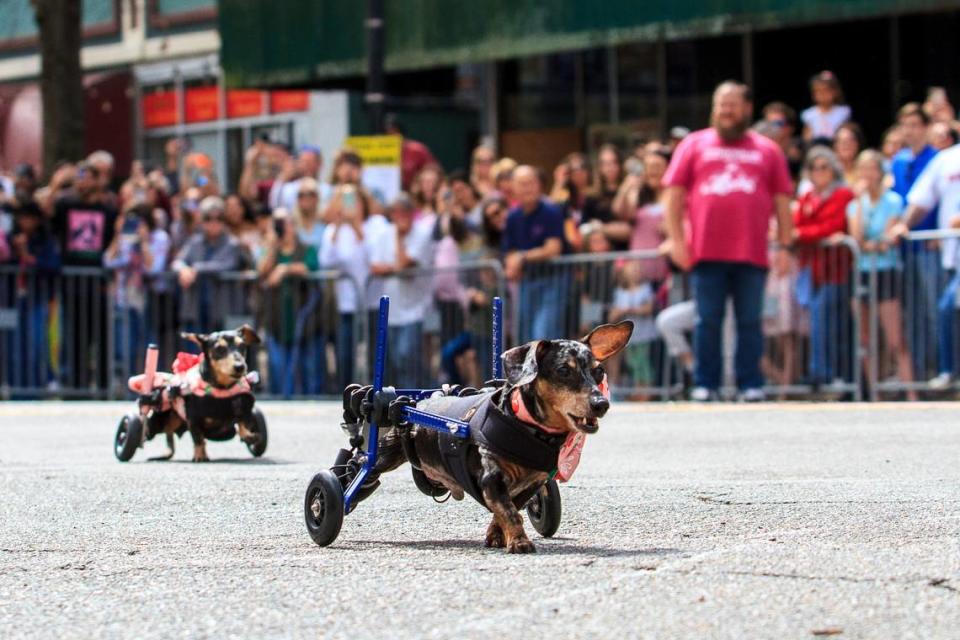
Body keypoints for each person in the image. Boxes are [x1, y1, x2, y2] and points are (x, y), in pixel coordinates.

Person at [663, 80, 794, 402]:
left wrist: (787, 246)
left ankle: (751, 383)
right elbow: (673, 196)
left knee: (751, 320)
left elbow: (781, 201)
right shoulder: (693, 145)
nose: (725, 110)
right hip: (706, 251)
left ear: (747, 109)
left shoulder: (768, 149)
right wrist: (677, 241)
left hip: (752, 251)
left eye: (732, 104)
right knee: (707, 320)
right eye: (721, 104)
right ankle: (706, 383)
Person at [846, 150, 916, 401]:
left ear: (880, 171)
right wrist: (861, 200)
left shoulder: (894, 201)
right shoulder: (855, 206)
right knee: (865, 338)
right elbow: (858, 238)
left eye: (871, 169)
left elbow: (885, 241)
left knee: (895, 337)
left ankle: (911, 393)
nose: (867, 175)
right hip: (862, 273)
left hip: (886, 270)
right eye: (862, 169)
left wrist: (873, 244)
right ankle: (874, 394)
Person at [891, 140, 960, 389]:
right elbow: (922, 198)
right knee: (945, 309)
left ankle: (949, 369)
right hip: (953, 255)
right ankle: (948, 369)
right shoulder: (946, 159)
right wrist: (904, 224)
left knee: (947, 306)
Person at [51, 161, 118, 390]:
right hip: (73, 282)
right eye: (80, 176)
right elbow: (46, 214)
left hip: (98, 281)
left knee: (100, 335)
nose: (83, 181)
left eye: (88, 176)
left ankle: (102, 385)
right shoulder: (65, 204)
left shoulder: (107, 208)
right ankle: (76, 385)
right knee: (75, 336)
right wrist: (56, 184)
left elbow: (114, 239)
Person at [792, 146, 854, 389]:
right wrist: (804, 233)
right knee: (818, 318)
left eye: (824, 167)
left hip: (836, 269)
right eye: (814, 168)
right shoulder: (807, 198)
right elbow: (797, 225)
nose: (818, 172)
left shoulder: (843, 195)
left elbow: (833, 227)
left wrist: (802, 234)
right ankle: (825, 372)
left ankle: (826, 373)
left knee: (826, 318)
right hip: (812, 269)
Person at [891, 103, 940, 379]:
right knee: (911, 315)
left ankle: (941, 368)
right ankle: (920, 373)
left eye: (914, 124)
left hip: (930, 244)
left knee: (934, 310)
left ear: (926, 127)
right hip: (904, 249)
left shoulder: (937, 158)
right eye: (905, 125)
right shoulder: (898, 161)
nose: (909, 130)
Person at [368, 194, 435, 386]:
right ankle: (420, 390)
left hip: (416, 309)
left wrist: (399, 237)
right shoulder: (383, 234)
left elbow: (404, 264)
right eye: (395, 213)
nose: (399, 217)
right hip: (392, 309)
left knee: (407, 355)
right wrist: (393, 268)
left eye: (403, 213)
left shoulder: (422, 233)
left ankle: (415, 395)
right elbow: (375, 267)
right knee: (397, 359)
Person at [258, 209, 324, 397]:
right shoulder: (272, 249)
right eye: (277, 223)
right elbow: (261, 270)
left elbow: (310, 266)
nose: (281, 228)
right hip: (277, 320)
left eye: (284, 223)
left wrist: (285, 268)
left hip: (303, 319)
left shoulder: (305, 248)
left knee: (305, 369)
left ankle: (309, 399)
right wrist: (271, 246)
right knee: (279, 367)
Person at [103, 203, 170, 384]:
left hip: (150, 301)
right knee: (126, 348)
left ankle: (153, 386)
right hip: (124, 300)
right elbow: (108, 262)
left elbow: (154, 268)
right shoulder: (124, 238)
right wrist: (118, 236)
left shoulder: (159, 238)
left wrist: (144, 242)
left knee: (150, 346)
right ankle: (129, 387)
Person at [502, 165, 567, 342]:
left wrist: (522, 257)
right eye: (522, 184)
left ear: (539, 185)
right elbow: (509, 251)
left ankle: (544, 370)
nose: (527, 188)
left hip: (552, 281)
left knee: (543, 335)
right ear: (513, 188)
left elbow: (553, 248)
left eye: (531, 183)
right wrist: (511, 264)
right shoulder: (512, 217)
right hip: (526, 282)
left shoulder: (551, 211)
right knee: (525, 337)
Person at [320, 177, 371, 391]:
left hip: (370, 302)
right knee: (344, 354)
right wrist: (340, 226)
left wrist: (357, 227)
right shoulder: (332, 230)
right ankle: (347, 393)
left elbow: (372, 256)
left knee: (370, 354)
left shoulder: (372, 226)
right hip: (345, 304)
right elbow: (326, 260)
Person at [171, 196, 244, 340]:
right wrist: (183, 270)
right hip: (195, 311)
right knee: (194, 359)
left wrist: (196, 269)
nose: (214, 223)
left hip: (221, 313)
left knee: (219, 360)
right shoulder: (194, 242)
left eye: (219, 218)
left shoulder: (232, 244)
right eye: (208, 218)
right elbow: (177, 262)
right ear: (202, 221)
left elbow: (226, 265)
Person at [5, 200, 60, 392]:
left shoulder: (44, 240)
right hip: (11, 301)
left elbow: (52, 265)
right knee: (12, 346)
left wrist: (27, 255)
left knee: (36, 344)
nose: (25, 222)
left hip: (36, 300)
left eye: (29, 218)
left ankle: (36, 387)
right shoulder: (10, 238)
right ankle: (14, 387)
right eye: (22, 218)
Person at [385, 113, 439, 191]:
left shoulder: (417, 150)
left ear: (401, 133)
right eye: (388, 133)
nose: (391, 136)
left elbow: (434, 171)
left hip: (415, 195)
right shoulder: (380, 152)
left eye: (394, 132)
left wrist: (419, 183)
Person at [269, 145, 328, 212]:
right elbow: (274, 206)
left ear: (319, 164)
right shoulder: (288, 189)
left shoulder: (327, 190)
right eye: (304, 161)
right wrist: (283, 177)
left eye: (310, 162)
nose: (307, 166)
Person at [801, 71, 851, 143]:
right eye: (818, 91)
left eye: (825, 90)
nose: (822, 95)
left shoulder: (843, 112)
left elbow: (845, 133)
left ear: (835, 92)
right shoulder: (809, 114)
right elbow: (806, 138)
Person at [834, 122, 864, 186]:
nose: (846, 145)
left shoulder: (866, 170)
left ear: (858, 143)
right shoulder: (829, 171)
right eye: (842, 141)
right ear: (835, 145)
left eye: (850, 140)